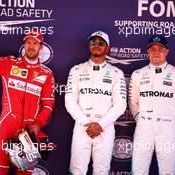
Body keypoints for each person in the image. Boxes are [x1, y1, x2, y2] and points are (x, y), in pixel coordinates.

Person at [0, 12, 55, 175]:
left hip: (30, 131)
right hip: (7, 125)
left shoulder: (46, 74)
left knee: (24, 172)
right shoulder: (10, 64)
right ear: (24, 45)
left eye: (35, 43)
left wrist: (38, 123)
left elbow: (48, 105)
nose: (31, 46)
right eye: (28, 42)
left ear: (41, 47)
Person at [65, 31, 127, 175]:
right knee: (76, 170)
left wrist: (101, 124)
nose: (96, 45)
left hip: (104, 128)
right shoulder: (76, 70)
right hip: (82, 127)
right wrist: (86, 123)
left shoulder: (116, 73)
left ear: (107, 48)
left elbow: (120, 104)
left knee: (102, 171)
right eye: (93, 42)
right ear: (89, 46)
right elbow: (69, 100)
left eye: (101, 43)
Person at [129, 35, 175, 175]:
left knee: (168, 171)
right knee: (138, 170)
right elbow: (132, 101)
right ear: (148, 52)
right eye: (152, 49)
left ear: (167, 51)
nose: (156, 52)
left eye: (160, 49)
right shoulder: (138, 74)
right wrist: (141, 119)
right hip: (143, 129)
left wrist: (171, 123)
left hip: (167, 130)